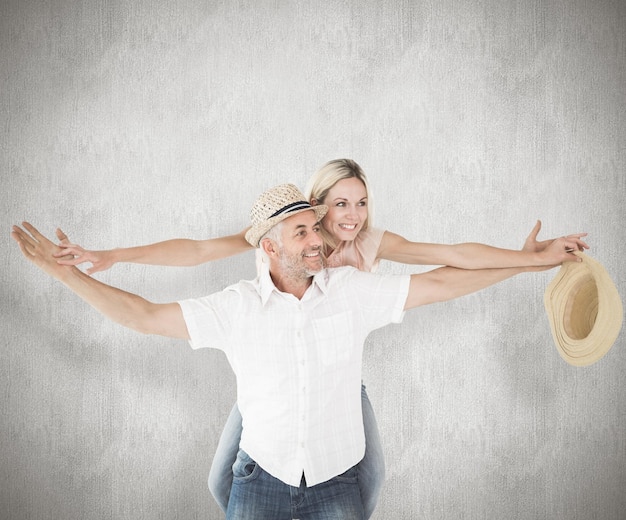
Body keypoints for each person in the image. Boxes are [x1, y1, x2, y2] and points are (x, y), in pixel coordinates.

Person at [51, 159, 589, 518]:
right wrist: (112, 257)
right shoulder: (277, 248)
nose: (348, 218)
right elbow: (190, 254)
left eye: (359, 204)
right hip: (269, 392)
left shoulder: (363, 260)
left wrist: (529, 260)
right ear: (317, 207)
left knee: (368, 468)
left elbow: (451, 262)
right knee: (227, 474)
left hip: (334, 383)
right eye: (338, 206)